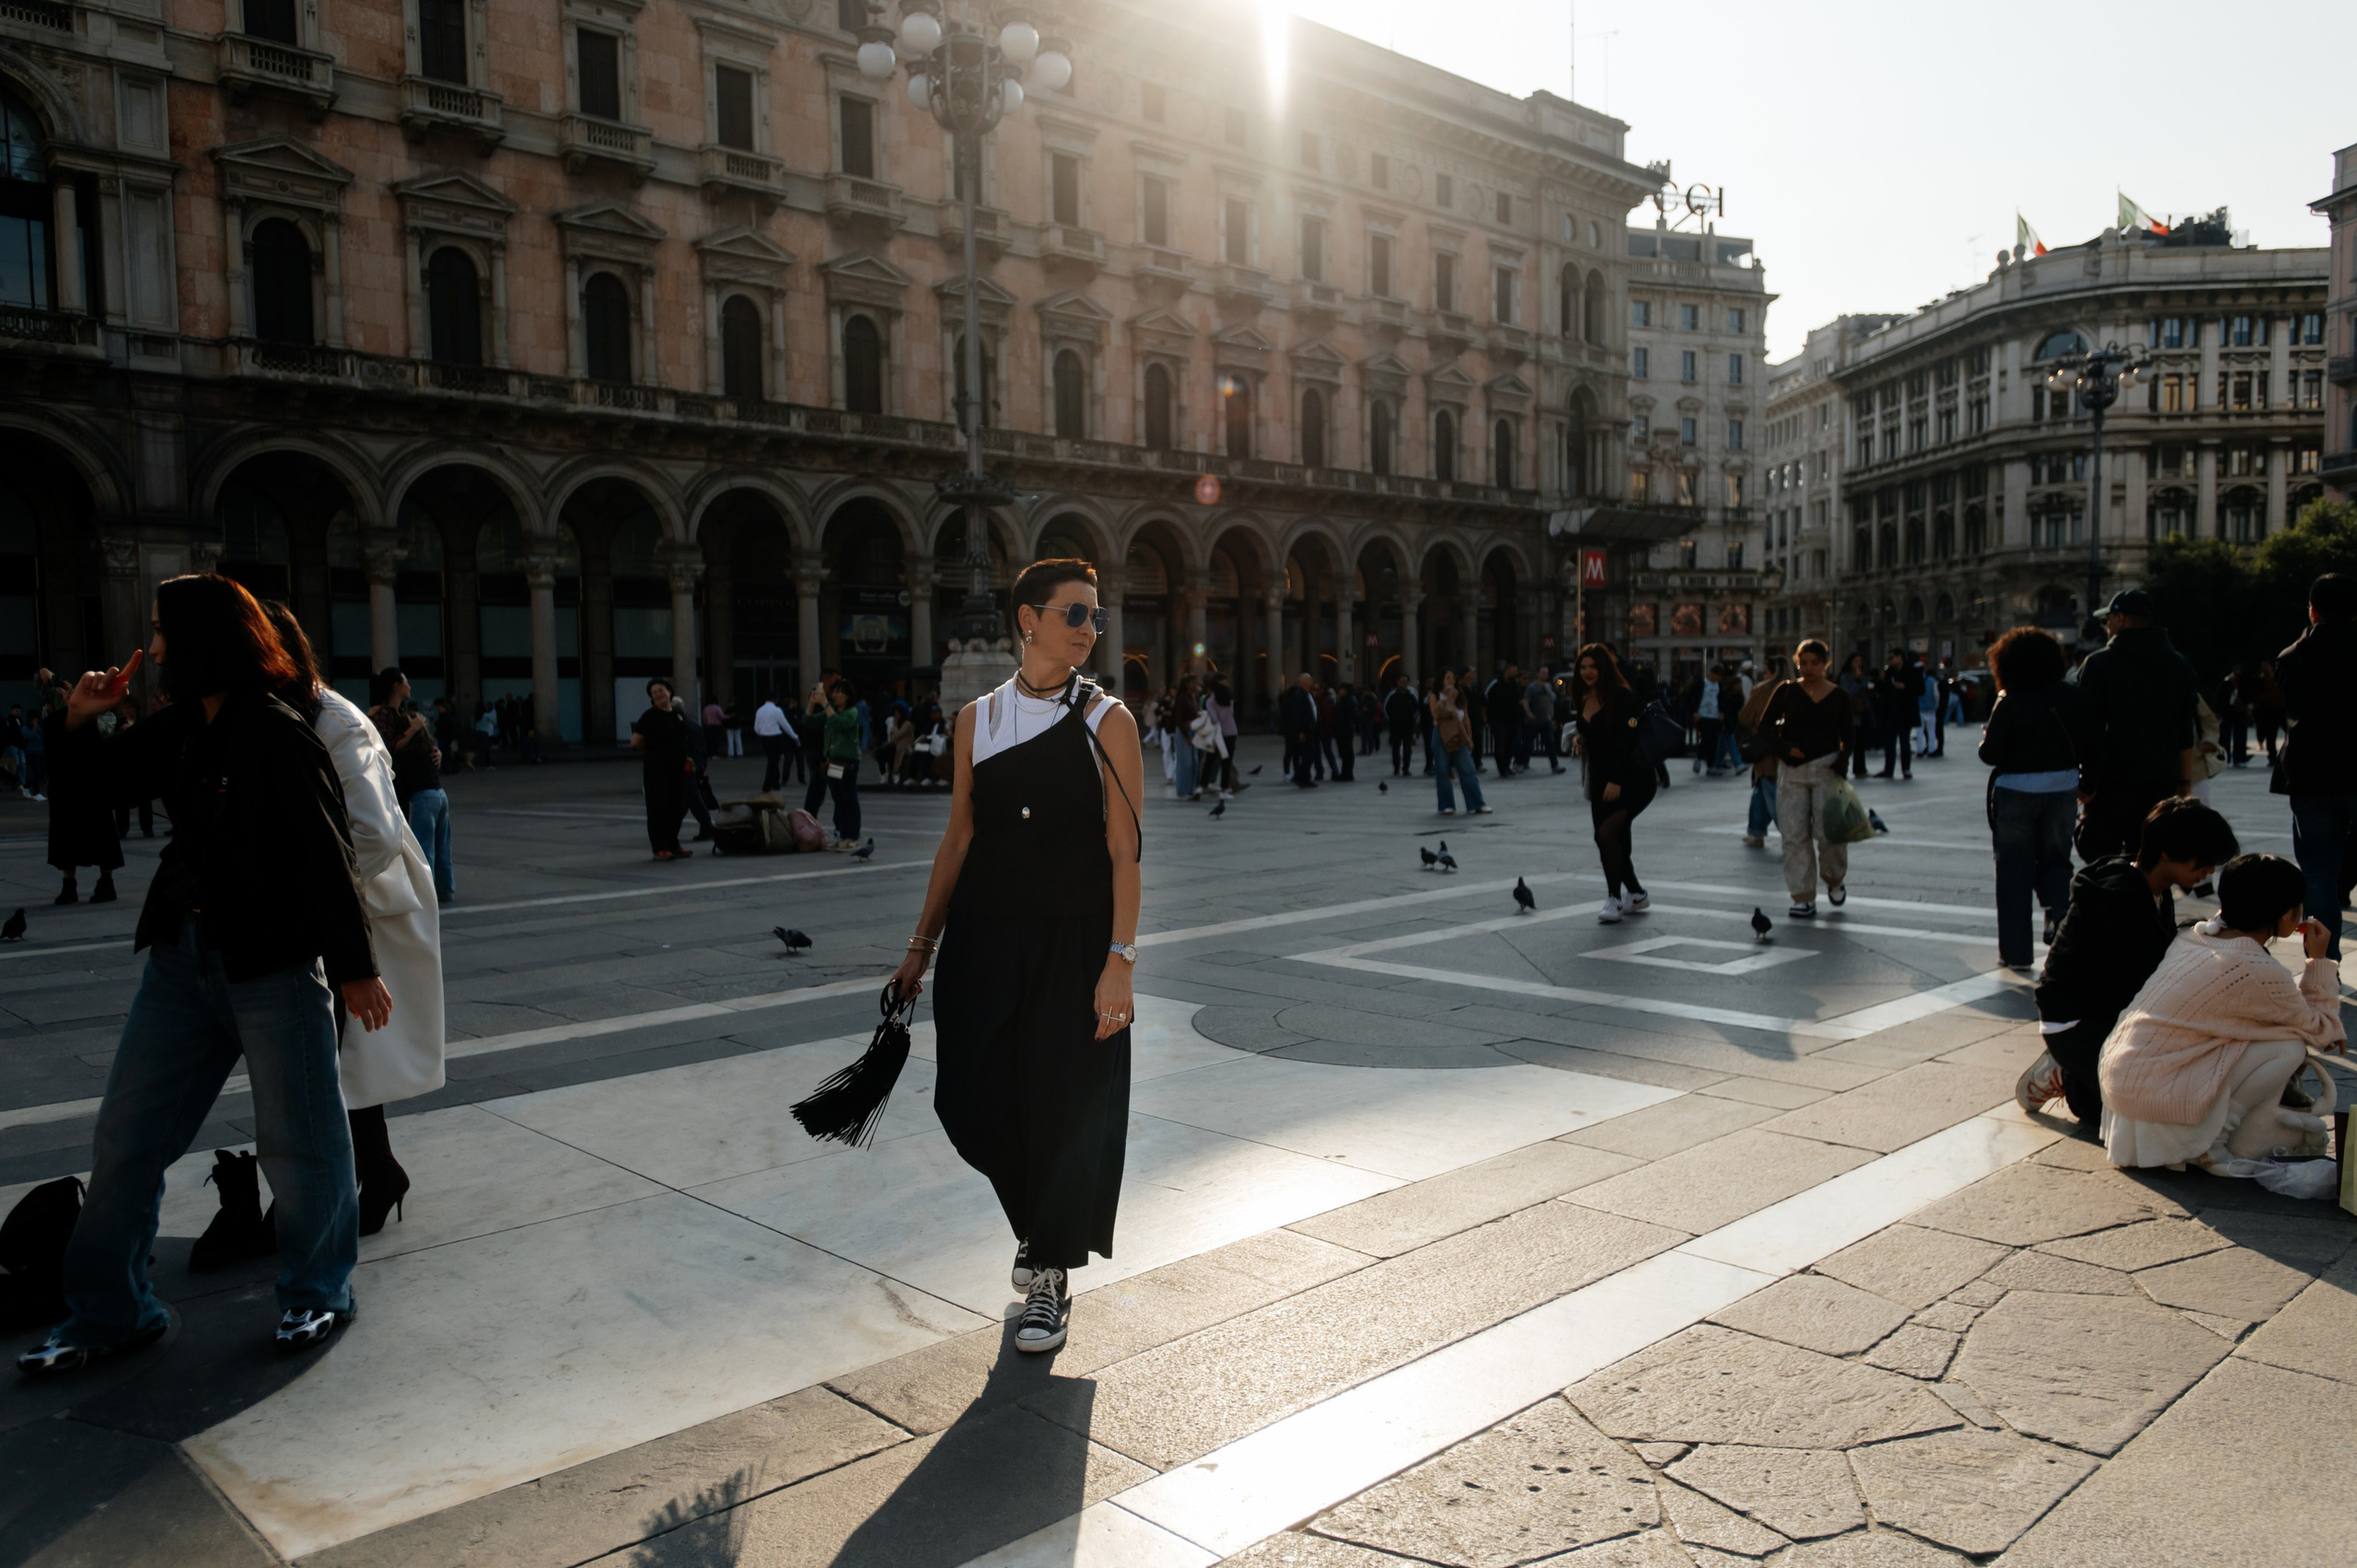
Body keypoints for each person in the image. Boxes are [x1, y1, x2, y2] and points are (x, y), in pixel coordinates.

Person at [19, 574, 387, 1375]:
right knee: (127, 1135)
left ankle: (318, 1288)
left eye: (161, 631)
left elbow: (329, 855)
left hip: (273, 964)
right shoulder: (184, 726)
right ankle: (111, 1310)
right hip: (181, 962)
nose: (151, 648)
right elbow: (98, 791)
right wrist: (78, 720)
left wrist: (356, 969)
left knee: (302, 1139)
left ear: (200, 641)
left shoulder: (279, 731)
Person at [889, 558, 1143, 1354]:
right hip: (984, 940)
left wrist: (1120, 959)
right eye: (1075, 613)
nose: (1089, 629)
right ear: (1028, 619)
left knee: (1062, 1105)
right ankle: (1038, 1228)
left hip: (1075, 943)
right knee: (968, 1099)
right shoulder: (979, 719)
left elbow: (1125, 852)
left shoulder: (1108, 720)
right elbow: (958, 839)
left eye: (1096, 616)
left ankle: (1049, 1274)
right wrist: (920, 946)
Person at [263, 604, 444, 1237]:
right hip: (332, 903)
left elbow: (376, 833)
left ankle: (343, 1182)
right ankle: (367, 1172)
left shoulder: (335, 721)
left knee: (337, 1051)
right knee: (338, 1055)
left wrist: (313, 896)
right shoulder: (287, 714)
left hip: (361, 902)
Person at [2096, 854, 2343, 1173]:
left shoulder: (2195, 935)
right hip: (2154, 1093)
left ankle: (2210, 1135)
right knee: (2289, 1048)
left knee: (2275, 1034)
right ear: (2286, 915)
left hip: (2122, 1081)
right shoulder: (2254, 967)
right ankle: (2214, 1141)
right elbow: (2321, 1030)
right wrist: (2318, 961)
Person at [2019, 797, 2239, 1131]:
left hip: (2108, 1010)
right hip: (2075, 1022)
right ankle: (2066, 1073)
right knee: (2137, 1114)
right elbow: (2147, 983)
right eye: (2203, 862)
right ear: (2167, 854)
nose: (2209, 871)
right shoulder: (2119, 900)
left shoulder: (2151, 886)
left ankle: (2082, 1075)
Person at [1979, 627, 2096, 970]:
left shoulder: (2010, 699)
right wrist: (2088, 784)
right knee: (2056, 858)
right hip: (2062, 788)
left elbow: (1990, 754)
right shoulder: (2074, 696)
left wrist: (1986, 738)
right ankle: (2058, 915)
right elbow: (2093, 744)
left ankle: (2016, 954)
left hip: (2015, 791)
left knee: (2013, 868)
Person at [2073, 587, 2198, 863]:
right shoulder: (2180, 665)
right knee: (2151, 858)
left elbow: (2089, 730)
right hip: (2161, 780)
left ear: (2120, 619)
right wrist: (2184, 784)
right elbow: (2185, 730)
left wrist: (2087, 783)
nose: (2107, 625)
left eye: (2108, 619)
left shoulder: (2099, 664)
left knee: (2101, 860)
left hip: (2111, 784)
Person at [2270, 572, 2357, 960]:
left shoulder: (2291, 658)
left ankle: (2324, 963)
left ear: (2313, 611)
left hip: (2311, 777)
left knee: (2318, 876)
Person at [1762, 640, 1855, 918]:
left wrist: (1842, 762)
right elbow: (1764, 727)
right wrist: (1784, 748)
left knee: (1829, 834)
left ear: (1825, 663)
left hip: (1827, 769)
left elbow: (1849, 735)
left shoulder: (1839, 696)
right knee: (1793, 835)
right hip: (1792, 771)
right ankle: (1802, 896)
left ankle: (1834, 878)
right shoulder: (1786, 691)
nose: (1809, 668)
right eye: (1804, 663)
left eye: (1815, 663)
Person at [1567, 644, 1652, 923]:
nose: (1588, 672)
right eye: (1583, 667)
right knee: (1612, 839)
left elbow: (1629, 738)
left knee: (1606, 836)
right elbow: (1594, 732)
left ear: (1604, 667)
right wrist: (1581, 739)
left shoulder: (1621, 695)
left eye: (1593, 666)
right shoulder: (1583, 696)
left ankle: (1614, 898)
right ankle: (1636, 893)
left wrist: (1616, 780)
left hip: (1631, 778)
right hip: (1599, 779)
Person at [369, 668, 452, 904]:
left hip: (414, 789)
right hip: (404, 789)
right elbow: (386, 748)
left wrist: (435, 752)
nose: (410, 686)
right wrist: (415, 730)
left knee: (427, 847)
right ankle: (435, 891)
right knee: (429, 848)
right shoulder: (382, 714)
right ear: (396, 685)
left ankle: (430, 893)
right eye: (405, 681)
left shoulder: (400, 714)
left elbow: (416, 745)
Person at [46, 691, 124, 902]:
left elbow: (103, 735)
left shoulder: (99, 717)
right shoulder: (58, 720)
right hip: (70, 787)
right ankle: (71, 884)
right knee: (68, 838)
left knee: (99, 835)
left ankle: (104, 882)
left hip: (89, 786)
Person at [630, 679, 693, 860]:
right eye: (654, 692)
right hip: (657, 770)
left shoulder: (677, 714)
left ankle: (673, 844)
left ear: (669, 691)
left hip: (678, 769)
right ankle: (660, 847)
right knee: (659, 807)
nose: (658, 694)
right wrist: (655, 749)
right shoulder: (650, 716)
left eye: (661, 690)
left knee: (677, 806)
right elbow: (635, 742)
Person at [1734, 656, 1786, 849]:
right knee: (1761, 789)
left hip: (1766, 749)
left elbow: (1745, 716)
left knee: (1770, 788)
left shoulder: (1763, 689)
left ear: (1771, 671)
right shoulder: (1797, 688)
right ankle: (1755, 830)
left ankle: (1790, 834)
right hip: (1789, 748)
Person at [1428, 669, 1489, 817]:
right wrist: (1449, 699)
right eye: (1448, 678)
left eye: (1453, 678)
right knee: (1442, 770)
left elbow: (1466, 718)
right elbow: (1437, 715)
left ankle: (1476, 803)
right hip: (1442, 734)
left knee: (1467, 769)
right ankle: (1446, 805)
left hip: (1459, 735)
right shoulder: (1435, 695)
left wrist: (1469, 737)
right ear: (1442, 680)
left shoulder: (1460, 697)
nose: (1451, 681)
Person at [817, 680, 865, 847]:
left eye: (839, 692)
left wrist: (825, 705)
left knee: (849, 797)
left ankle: (853, 835)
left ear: (847, 696)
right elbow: (810, 721)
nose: (835, 695)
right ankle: (843, 834)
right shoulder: (833, 712)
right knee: (839, 798)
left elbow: (841, 724)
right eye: (834, 692)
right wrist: (813, 703)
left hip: (847, 761)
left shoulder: (852, 712)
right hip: (833, 760)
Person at [673, 693, 717, 840]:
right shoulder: (692, 724)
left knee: (691, 798)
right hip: (694, 765)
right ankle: (672, 828)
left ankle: (707, 826)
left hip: (686, 767)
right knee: (687, 799)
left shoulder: (678, 725)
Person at [1873, 651, 1919, 780]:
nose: (1890, 660)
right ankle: (1889, 769)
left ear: (1900, 657)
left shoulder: (1911, 670)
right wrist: (1880, 681)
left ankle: (1906, 769)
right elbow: (1883, 690)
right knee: (1889, 742)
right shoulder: (1890, 672)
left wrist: (1905, 687)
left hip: (1905, 713)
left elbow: (1920, 689)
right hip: (1890, 713)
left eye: (1892, 658)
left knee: (1904, 742)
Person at [1839, 653, 1876, 780]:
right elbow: (1847, 693)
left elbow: (1866, 691)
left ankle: (1860, 768)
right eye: (1856, 661)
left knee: (1860, 742)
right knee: (1849, 742)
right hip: (1850, 713)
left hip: (1863, 711)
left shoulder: (1864, 675)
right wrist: (1856, 680)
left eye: (1860, 661)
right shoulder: (1846, 676)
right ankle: (1842, 766)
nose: (1858, 664)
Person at [1281, 672, 1319, 789]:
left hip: (1311, 729)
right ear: (1303, 682)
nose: (1311, 682)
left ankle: (1305, 777)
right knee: (1309, 754)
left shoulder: (1308, 694)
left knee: (1311, 754)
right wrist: (1300, 731)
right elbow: (1297, 714)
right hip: (1305, 730)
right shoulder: (1299, 695)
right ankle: (1300, 777)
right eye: (1309, 680)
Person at [754, 691, 795, 794]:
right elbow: (785, 725)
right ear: (775, 700)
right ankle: (767, 786)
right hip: (775, 737)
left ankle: (775, 784)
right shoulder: (777, 710)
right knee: (773, 763)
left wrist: (762, 733)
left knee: (772, 761)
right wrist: (794, 736)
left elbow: (756, 728)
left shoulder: (760, 710)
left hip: (764, 738)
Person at [1527, 666, 1564, 775]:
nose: (1545, 675)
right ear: (1537, 674)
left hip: (1546, 719)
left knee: (1550, 742)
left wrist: (1552, 717)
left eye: (1546, 673)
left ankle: (1555, 765)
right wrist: (1529, 713)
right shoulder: (1532, 687)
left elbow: (1552, 702)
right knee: (1528, 742)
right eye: (1543, 672)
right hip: (1535, 719)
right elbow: (1526, 701)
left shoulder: (1548, 687)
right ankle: (1520, 762)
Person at [1384, 672, 1420, 776]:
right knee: (1395, 747)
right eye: (1402, 681)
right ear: (1397, 682)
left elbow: (1417, 708)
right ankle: (1396, 768)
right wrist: (1391, 719)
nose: (1404, 683)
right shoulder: (1392, 695)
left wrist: (1414, 718)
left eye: (1405, 681)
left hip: (1408, 725)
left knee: (1407, 747)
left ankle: (1406, 768)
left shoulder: (1411, 695)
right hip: (1395, 725)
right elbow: (1386, 708)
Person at [1691, 664, 1724, 776]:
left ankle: (1711, 765)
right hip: (1703, 715)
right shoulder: (1701, 684)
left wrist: (1722, 712)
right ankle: (1699, 758)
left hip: (1715, 716)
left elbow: (1722, 699)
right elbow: (1691, 697)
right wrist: (1694, 711)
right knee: (1706, 737)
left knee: (1714, 741)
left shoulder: (1720, 685)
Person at [1329, 681, 1358, 783]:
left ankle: (1347, 773)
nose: (1339, 691)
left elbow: (1342, 716)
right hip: (1345, 729)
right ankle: (1346, 772)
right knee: (1346, 751)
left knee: (1346, 751)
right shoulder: (1348, 700)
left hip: (1344, 730)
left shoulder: (1347, 701)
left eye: (1341, 689)